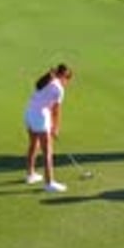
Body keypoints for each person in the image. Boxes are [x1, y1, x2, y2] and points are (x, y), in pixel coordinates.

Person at [24, 63, 73, 192]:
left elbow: (48, 106)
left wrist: (50, 125)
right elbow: (56, 111)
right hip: (40, 116)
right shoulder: (59, 89)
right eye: (68, 80)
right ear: (64, 77)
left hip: (29, 113)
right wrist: (55, 128)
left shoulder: (46, 80)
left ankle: (30, 175)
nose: (67, 83)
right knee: (48, 152)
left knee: (33, 145)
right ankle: (49, 183)